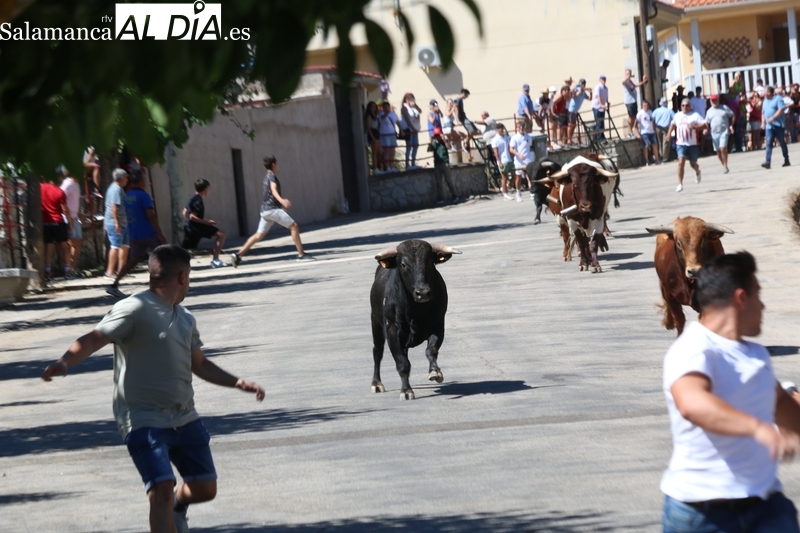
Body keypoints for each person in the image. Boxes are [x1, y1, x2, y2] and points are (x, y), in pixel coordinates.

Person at [41, 244, 265, 533]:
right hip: (142, 419)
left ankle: (177, 506)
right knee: (160, 489)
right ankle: (167, 507)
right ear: (183, 277)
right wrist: (66, 361)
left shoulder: (185, 319)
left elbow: (200, 364)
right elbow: (96, 337)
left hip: (184, 417)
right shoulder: (134, 308)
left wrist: (235, 382)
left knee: (205, 488)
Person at [661, 251, 800, 533]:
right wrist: (758, 429)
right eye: (758, 295)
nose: (763, 306)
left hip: (766, 505)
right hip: (703, 516)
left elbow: (782, 404)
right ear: (741, 298)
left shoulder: (755, 354)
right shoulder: (694, 348)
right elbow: (693, 403)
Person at [231, 156, 316, 266]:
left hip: (265, 211)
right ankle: (301, 255)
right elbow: (273, 190)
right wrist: (282, 201)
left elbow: (270, 193)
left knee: (259, 235)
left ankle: (238, 255)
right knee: (294, 226)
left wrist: (279, 205)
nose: (278, 166)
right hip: (272, 209)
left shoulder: (266, 177)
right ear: (274, 164)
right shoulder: (272, 177)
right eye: (277, 164)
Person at [106, 172, 168, 298]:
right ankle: (161, 284)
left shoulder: (127, 195)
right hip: (148, 232)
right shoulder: (143, 196)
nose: (145, 183)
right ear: (140, 181)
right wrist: (160, 233)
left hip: (134, 233)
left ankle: (114, 284)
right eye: (144, 180)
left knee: (133, 260)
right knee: (162, 256)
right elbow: (150, 215)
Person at [181, 179, 227, 266]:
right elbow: (192, 217)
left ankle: (174, 264)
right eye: (209, 188)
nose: (209, 190)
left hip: (190, 227)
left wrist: (188, 223)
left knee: (185, 249)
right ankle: (215, 260)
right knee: (221, 234)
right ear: (206, 188)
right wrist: (207, 222)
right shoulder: (198, 200)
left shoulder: (192, 198)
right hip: (196, 227)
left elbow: (184, 212)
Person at [666, 98, 706, 193]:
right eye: (683, 105)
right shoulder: (677, 115)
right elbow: (673, 124)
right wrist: (668, 134)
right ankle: (680, 184)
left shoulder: (694, 115)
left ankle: (697, 171)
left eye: (687, 105)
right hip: (680, 143)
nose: (685, 107)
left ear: (690, 106)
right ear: (680, 107)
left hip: (692, 144)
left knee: (693, 164)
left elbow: (705, 125)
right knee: (681, 162)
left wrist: (695, 127)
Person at [41, 172, 72, 281]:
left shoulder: (40, 188)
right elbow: (64, 210)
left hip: (45, 222)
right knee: (65, 247)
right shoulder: (60, 192)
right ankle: (67, 271)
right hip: (58, 222)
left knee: (48, 248)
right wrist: (70, 223)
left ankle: (48, 272)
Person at [104, 168, 130, 279]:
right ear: (122, 177)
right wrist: (117, 223)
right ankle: (109, 272)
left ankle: (121, 271)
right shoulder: (115, 189)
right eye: (126, 177)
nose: (127, 180)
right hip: (115, 223)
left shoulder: (119, 189)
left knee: (125, 247)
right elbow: (114, 206)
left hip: (122, 222)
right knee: (115, 247)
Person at [58, 166, 82, 278]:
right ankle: (68, 269)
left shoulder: (77, 184)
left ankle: (72, 268)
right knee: (70, 243)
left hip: (75, 216)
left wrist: (80, 214)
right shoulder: (66, 184)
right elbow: (62, 201)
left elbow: (76, 201)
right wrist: (69, 219)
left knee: (77, 243)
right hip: (68, 217)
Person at [761, 86, 791, 169]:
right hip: (769, 126)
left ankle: (786, 159)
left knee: (782, 142)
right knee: (769, 143)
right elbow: (763, 113)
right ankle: (768, 162)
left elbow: (781, 109)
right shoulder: (765, 101)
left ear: (769, 93)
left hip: (778, 125)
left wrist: (773, 117)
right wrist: (763, 122)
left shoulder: (778, 99)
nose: (763, 93)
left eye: (765, 91)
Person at [428, 127, 458, 205]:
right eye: (436, 135)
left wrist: (444, 140)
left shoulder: (444, 142)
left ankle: (454, 195)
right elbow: (429, 149)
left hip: (445, 162)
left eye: (438, 135)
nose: (437, 137)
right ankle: (440, 197)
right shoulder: (434, 143)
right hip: (437, 164)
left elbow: (449, 147)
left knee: (448, 180)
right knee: (438, 182)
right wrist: (430, 141)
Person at [705, 94, 734, 173]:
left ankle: (725, 165)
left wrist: (731, 125)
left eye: (715, 100)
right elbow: (707, 122)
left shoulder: (724, 108)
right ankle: (724, 165)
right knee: (718, 151)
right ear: (710, 101)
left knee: (723, 148)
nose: (714, 101)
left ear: (718, 100)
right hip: (714, 133)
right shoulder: (709, 111)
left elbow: (732, 115)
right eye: (712, 100)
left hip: (724, 131)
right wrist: (705, 129)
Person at [508, 121, 534, 203]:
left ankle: (532, 192)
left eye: (522, 126)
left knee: (529, 176)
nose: (521, 128)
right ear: (517, 128)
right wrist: (519, 155)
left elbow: (529, 147)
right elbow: (511, 149)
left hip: (528, 159)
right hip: (519, 161)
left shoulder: (528, 137)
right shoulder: (514, 138)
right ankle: (518, 193)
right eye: (519, 127)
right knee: (518, 177)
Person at [622, 69, 648, 138]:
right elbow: (623, 82)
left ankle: (631, 132)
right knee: (630, 117)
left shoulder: (630, 81)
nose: (628, 75)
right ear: (625, 74)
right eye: (627, 73)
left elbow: (635, 85)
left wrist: (643, 82)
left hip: (634, 101)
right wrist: (626, 78)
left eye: (629, 73)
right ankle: (629, 133)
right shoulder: (625, 80)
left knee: (634, 117)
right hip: (629, 101)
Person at [491, 123, 514, 200]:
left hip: (509, 159)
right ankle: (505, 193)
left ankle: (505, 186)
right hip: (502, 160)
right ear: (497, 130)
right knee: (504, 177)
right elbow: (496, 152)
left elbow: (509, 148)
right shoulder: (495, 140)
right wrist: (499, 162)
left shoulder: (506, 137)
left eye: (501, 128)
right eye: (499, 128)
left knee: (515, 176)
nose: (501, 130)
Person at [400, 93, 422, 170]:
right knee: (409, 146)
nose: (411, 100)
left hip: (415, 129)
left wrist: (415, 105)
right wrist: (413, 128)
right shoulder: (404, 108)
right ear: (406, 100)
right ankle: (407, 164)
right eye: (410, 99)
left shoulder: (413, 107)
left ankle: (413, 163)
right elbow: (407, 119)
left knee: (416, 145)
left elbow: (420, 111)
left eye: (412, 99)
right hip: (409, 129)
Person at [454, 88, 476, 162]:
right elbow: (456, 110)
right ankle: (466, 142)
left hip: (464, 117)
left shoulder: (460, 100)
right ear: (464, 93)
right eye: (466, 95)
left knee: (475, 130)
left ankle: (466, 142)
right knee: (472, 131)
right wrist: (458, 120)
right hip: (462, 118)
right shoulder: (458, 100)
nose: (466, 97)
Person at [635, 101, 659, 166]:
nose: (646, 107)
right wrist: (637, 133)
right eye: (645, 105)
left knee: (655, 145)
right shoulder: (640, 113)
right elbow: (636, 124)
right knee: (646, 146)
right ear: (642, 106)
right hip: (644, 132)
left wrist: (654, 130)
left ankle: (657, 159)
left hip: (651, 131)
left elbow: (653, 122)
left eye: (647, 105)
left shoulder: (651, 112)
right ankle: (647, 161)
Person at [378, 100, 400, 172]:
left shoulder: (393, 113)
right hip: (385, 134)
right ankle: (387, 167)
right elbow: (383, 118)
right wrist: (386, 113)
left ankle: (391, 166)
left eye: (388, 107)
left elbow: (397, 122)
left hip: (392, 134)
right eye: (385, 107)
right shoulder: (381, 114)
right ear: (383, 108)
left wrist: (401, 130)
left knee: (392, 151)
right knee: (387, 151)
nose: (387, 108)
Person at [566, 79, 590, 145]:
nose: (582, 85)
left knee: (574, 125)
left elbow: (590, 98)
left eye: (584, 83)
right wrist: (580, 90)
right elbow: (574, 95)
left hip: (575, 111)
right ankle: (569, 140)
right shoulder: (577, 89)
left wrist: (591, 92)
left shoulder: (583, 92)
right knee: (570, 125)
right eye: (582, 83)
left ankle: (570, 139)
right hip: (571, 110)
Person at [653, 97, 676, 162]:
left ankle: (661, 156)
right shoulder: (669, 111)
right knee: (666, 143)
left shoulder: (656, 111)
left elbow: (652, 120)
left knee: (660, 143)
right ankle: (665, 158)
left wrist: (654, 128)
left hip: (658, 128)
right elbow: (675, 119)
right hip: (666, 128)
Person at [364, 101, 383, 175]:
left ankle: (375, 167)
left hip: (376, 133)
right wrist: (373, 138)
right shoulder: (369, 116)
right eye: (372, 106)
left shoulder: (375, 115)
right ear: (369, 107)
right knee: (374, 152)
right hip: (372, 133)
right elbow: (368, 127)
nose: (374, 108)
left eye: (375, 106)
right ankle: (375, 169)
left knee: (380, 152)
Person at [592, 75, 609, 140]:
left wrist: (607, 102)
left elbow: (606, 96)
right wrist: (601, 104)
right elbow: (598, 96)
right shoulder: (598, 87)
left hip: (602, 108)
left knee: (602, 122)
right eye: (602, 79)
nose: (603, 80)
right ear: (599, 80)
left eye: (604, 79)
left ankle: (602, 135)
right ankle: (599, 138)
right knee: (598, 122)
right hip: (597, 107)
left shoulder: (606, 88)